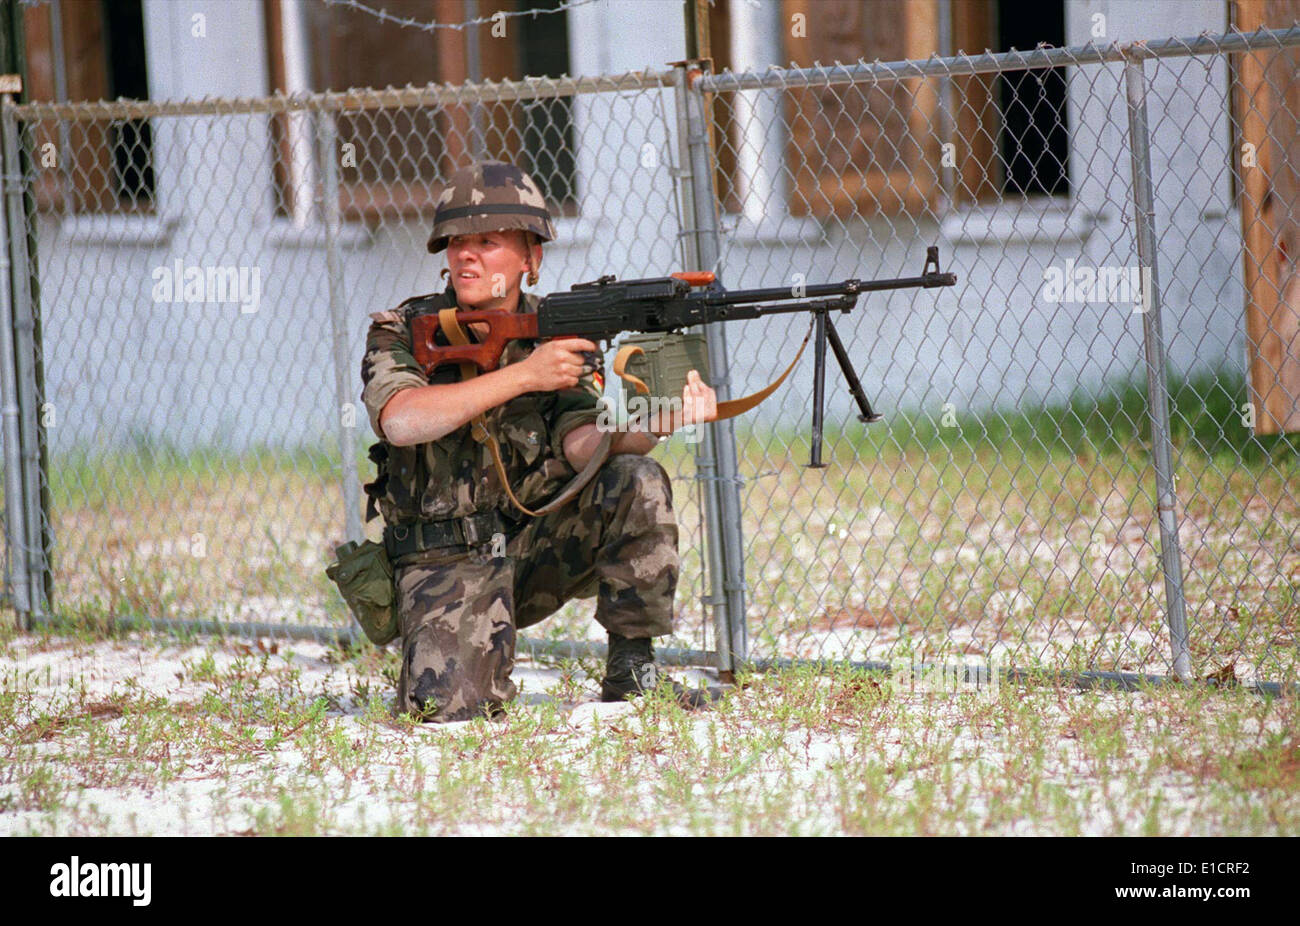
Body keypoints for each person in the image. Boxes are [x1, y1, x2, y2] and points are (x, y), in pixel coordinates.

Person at [360, 160, 720, 723]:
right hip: (445, 559)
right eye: (455, 242)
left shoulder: (555, 331)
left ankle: (634, 668)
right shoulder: (403, 330)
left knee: (634, 480)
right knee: (452, 714)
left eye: (487, 241)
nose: (465, 255)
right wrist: (525, 376)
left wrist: (654, 423)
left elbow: (581, 445)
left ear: (532, 258)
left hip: (534, 545)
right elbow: (401, 420)